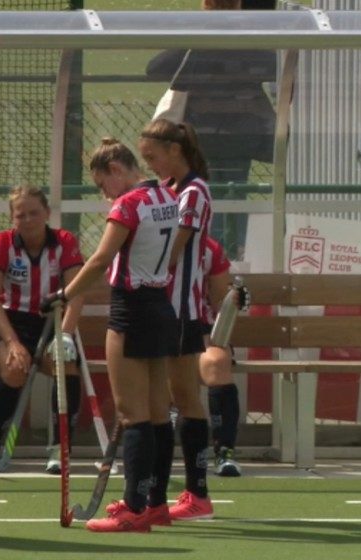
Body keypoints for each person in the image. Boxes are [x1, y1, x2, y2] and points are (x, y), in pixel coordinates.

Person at [43, 137, 179, 532]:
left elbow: (101, 258)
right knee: (156, 413)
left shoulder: (129, 204)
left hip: (132, 309)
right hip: (160, 305)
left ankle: (135, 511)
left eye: (103, 184)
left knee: (133, 414)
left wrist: (63, 296)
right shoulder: (166, 195)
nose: (104, 193)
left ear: (116, 170)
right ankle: (155, 504)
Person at [0, 184, 85, 475]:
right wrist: (12, 342)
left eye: (34, 213)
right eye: (21, 215)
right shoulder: (3, 243)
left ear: (47, 212)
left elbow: (77, 292)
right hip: (10, 323)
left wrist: (66, 335)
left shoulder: (65, 242)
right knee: (14, 366)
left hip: (52, 323)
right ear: (12, 218)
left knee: (65, 364)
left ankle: (61, 446)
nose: (28, 220)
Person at [146, 0, 276, 258]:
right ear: (239, 6)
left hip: (199, 140)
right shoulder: (251, 42)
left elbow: (155, 68)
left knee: (200, 195)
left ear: (205, 6)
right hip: (242, 139)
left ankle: (207, 252)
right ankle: (230, 253)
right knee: (234, 193)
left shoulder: (197, 41)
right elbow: (275, 66)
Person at [140, 117, 216, 522]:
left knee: (184, 399)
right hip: (161, 308)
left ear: (175, 150)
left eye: (153, 157)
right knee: (165, 400)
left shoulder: (194, 192)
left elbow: (171, 251)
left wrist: (144, 271)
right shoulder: (167, 190)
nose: (150, 164)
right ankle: (157, 495)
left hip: (181, 309)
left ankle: (196, 494)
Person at [199, 235, 249, 477]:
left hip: (202, 333)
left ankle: (224, 451)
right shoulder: (150, 242)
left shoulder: (209, 249)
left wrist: (234, 300)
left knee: (218, 361)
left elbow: (220, 301)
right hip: (160, 330)